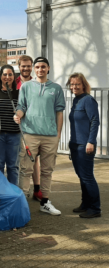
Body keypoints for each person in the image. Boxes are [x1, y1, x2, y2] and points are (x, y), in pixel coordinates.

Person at [14, 56, 65, 216]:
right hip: (29, 134)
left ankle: (45, 202)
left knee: (47, 170)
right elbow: (21, 106)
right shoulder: (26, 87)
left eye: (43, 67)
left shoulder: (56, 88)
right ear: (34, 69)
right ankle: (22, 204)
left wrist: (58, 135)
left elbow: (59, 113)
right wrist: (19, 115)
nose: (40, 70)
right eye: (37, 67)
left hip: (50, 136)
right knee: (25, 169)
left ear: (48, 68)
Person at [67, 73, 101, 218]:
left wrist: (91, 141)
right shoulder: (76, 101)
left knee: (87, 177)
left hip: (85, 145)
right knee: (81, 176)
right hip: (75, 144)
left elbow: (95, 121)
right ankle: (85, 204)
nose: (74, 87)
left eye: (77, 84)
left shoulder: (88, 100)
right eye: (72, 84)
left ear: (83, 85)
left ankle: (95, 208)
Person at [0, 65, 20, 185]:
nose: (7, 77)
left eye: (10, 74)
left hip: (14, 135)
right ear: (0, 76)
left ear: (14, 77)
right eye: (5, 74)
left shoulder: (18, 94)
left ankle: (13, 192)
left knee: (13, 166)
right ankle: (1, 192)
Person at [16, 55, 42, 200]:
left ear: (31, 67)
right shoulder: (14, 83)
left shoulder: (37, 83)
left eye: (28, 66)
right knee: (20, 160)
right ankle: (19, 190)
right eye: (23, 66)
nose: (25, 68)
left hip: (32, 127)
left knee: (33, 159)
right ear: (19, 67)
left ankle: (37, 189)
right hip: (17, 126)